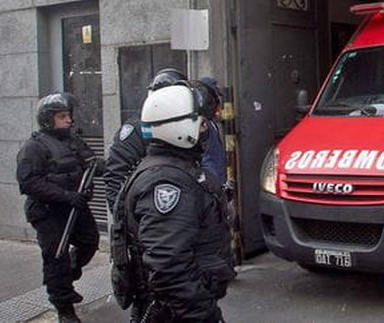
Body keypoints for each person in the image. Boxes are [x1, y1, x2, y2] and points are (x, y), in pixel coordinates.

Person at [115, 83, 234, 322]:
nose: (205, 129)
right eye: (200, 123)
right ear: (180, 127)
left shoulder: (176, 169)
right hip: (175, 313)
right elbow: (168, 266)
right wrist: (204, 315)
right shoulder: (167, 182)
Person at [16, 93, 104, 323]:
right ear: (48, 119)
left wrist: (118, 163)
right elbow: (29, 183)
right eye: (62, 116)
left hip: (75, 206)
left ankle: (68, 274)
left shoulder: (73, 141)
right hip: (48, 212)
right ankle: (64, 308)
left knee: (89, 241)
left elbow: (92, 164)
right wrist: (65, 196)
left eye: (69, 116)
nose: (69, 120)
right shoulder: (33, 148)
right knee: (56, 258)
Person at [104, 68, 186, 211]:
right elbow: (116, 175)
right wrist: (124, 217)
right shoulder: (136, 128)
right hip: (147, 210)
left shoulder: (186, 125)